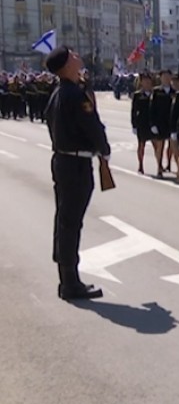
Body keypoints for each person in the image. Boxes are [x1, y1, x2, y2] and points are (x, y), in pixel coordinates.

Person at [44, 46, 110, 300]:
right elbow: (92, 126)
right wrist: (103, 150)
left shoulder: (60, 92)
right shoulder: (75, 94)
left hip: (63, 160)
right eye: (71, 55)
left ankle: (67, 275)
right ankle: (70, 283)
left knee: (65, 220)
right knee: (71, 223)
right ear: (66, 65)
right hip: (76, 165)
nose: (76, 56)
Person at [131, 72, 156, 175]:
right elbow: (133, 111)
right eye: (145, 81)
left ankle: (159, 165)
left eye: (148, 80)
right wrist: (134, 125)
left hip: (153, 123)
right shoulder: (137, 95)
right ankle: (140, 165)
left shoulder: (155, 94)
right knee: (141, 145)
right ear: (141, 82)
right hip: (142, 123)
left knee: (157, 145)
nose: (147, 83)